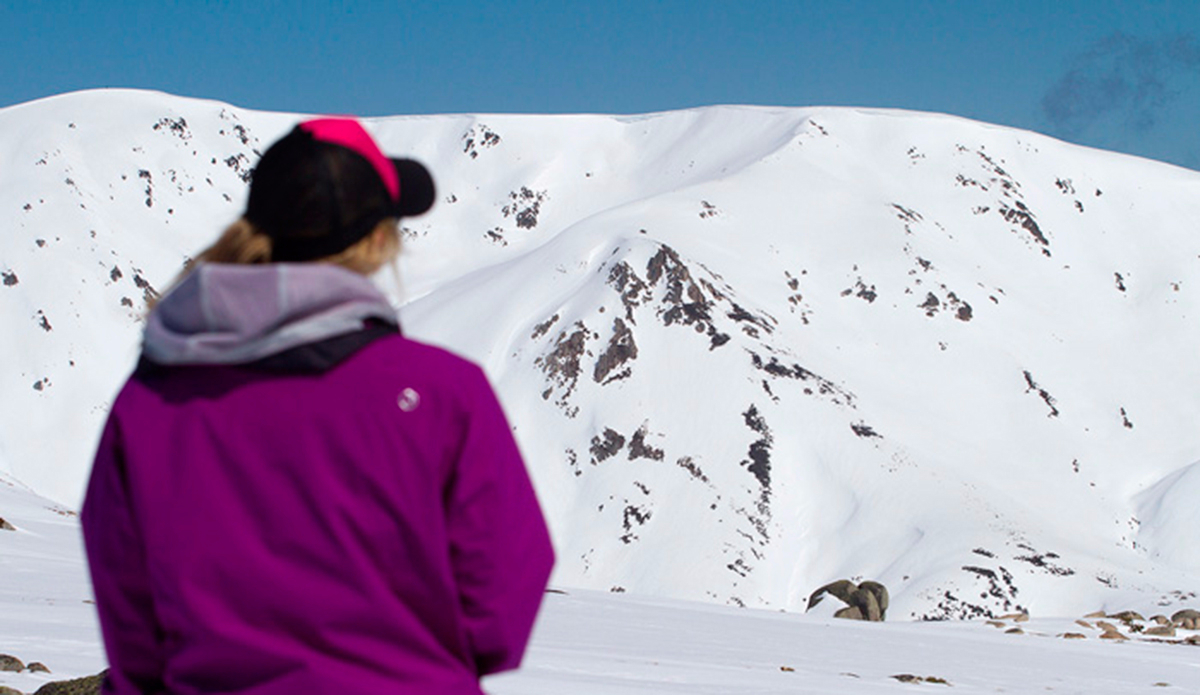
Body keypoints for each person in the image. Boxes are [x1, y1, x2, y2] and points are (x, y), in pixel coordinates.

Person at [81, 117, 555, 694]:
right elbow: (502, 595)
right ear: (378, 240)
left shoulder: (150, 402)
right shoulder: (442, 393)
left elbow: (128, 615)